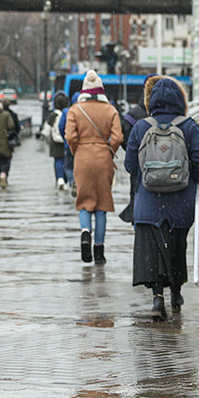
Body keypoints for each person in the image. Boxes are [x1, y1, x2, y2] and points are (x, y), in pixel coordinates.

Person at [124, 75, 199, 321]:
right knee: (176, 247)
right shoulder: (189, 126)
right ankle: (176, 292)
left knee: (153, 251)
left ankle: (157, 297)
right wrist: (194, 182)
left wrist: (147, 176)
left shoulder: (142, 126)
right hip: (180, 203)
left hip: (148, 204)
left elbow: (130, 164)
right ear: (179, 100)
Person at [65, 70, 123, 265]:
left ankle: (85, 233)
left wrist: (77, 150)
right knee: (102, 205)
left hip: (82, 157)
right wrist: (108, 150)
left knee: (84, 200)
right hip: (103, 158)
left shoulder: (75, 110)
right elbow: (117, 137)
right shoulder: (110, 110)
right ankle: (99, 250)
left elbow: (70, 137)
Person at [118, 75, 152, 223]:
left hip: (139, 170)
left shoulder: (133, 115)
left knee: (138, 203)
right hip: (169, 173)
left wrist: (135, 155)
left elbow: (124, 137)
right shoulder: (176, 116)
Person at [42, 92, 69, 190]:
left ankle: (60, 179)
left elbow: (46, 130)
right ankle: (67, 179)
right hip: (66, 140)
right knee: (67, 161)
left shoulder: (52, 115)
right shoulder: (68, 114)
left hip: (55, 141)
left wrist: (45, 137)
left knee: (58, 160)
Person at [59, 92, 80, 197]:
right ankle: (78, 181)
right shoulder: (84, 111)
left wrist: (65, 138)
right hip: (81, 145)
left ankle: (72, 182)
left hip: (69, 144)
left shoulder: (67, 112)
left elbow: (61, 127)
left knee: (68, 165)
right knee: (79, 165)